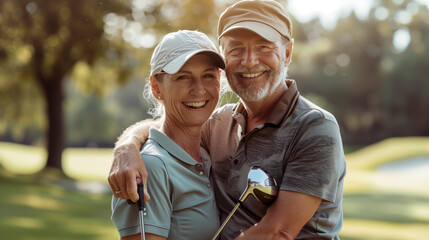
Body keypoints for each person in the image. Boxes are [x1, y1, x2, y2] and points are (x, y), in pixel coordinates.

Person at [109, 1, 346, 239]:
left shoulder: (314, 128)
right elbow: (171, 132)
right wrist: (127, 145)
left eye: (264, 46)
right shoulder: (218, 123)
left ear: (287, 53)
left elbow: (277, 232)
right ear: (224, 58)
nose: (250, 61)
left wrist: (127, 146)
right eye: (236, 49)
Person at [111, 30, 226, 240]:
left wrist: (129, 141)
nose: (199, 89)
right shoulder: (151, 167)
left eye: (208, 75)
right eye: (183, 77)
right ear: (156, 87)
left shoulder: (212, 147)